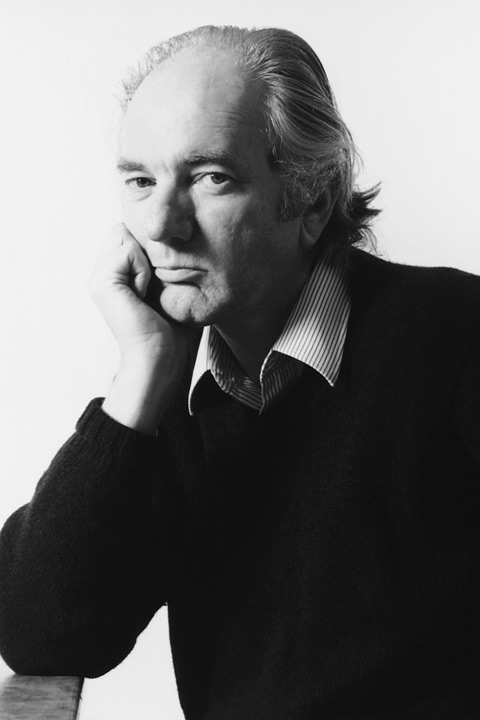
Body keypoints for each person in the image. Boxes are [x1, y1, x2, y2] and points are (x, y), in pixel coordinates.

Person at [1, 24, 480, 720]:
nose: (162, 224)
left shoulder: (457, 336)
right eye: (141, 181)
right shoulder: (173, 404)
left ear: (312, 201)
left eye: (210, 178)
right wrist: (142, 374)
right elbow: (40, 633)